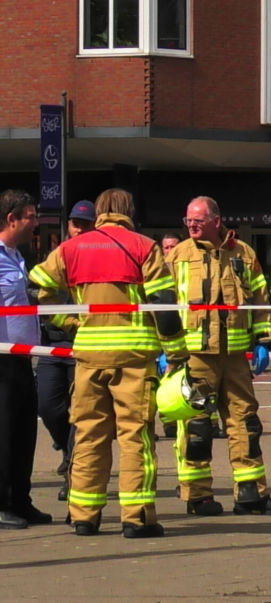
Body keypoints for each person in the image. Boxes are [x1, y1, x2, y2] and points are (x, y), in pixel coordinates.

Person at [30, 188, 188, 538]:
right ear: (129, 210)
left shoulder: (72, 247)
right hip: (133, 356)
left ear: (99, 211)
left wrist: (72, 324)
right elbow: (162, 303)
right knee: (135, 438)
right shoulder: (142, 246)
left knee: (88, 436)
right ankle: (137, 517)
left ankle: (84, 515)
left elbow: (37, 288)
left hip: (88, 355)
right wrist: (176, 354)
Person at [165, 197, 271, 516]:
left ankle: (251, 493)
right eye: (188, 220)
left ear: (216, 221)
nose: (191, 225)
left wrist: (263, 340)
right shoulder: (178, 256)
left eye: (198, 220)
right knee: (197, 428)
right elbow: (163, 304)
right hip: (194, 357)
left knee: (245, 423)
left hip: (234, 356)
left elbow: (260, 298)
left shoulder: (243, 254)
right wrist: (164, 349)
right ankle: (197, 495)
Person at [37, 200, 94, 503]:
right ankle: (64, 448)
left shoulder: (96, 259)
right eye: (75, 223)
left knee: (79, 413)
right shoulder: (57, 258)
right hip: (52, 345)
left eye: (85, 224)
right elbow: (41, 295)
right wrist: (69, 322)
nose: (79, 228)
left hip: (82, 347)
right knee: (49, 407)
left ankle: (71, 476)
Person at [0, 190, 48, 530]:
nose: (35, 222)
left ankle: (21, 499)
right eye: (29, 216)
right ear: (10, 219)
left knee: (23, 433)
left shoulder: (18, 256)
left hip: (23, 359)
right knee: (3, 434)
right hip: (1, 360)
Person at [158, 232, 183, 438]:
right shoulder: (156, 271)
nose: (169, 251)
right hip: (160, 332)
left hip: (183, 332)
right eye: (166, 247)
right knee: (162, 380)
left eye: (173, 246)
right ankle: (168, 422)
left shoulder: (186, 269)